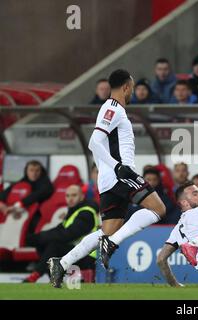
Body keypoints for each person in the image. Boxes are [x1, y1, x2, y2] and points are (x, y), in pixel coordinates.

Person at [48, 69, 166, 288]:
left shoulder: (113, 110)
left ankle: (62, 263)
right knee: (158, 209)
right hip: (121, 176)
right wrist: (118, 166)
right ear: (126, 87)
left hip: (110, 179)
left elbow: (100, 144)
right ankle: (110, 244)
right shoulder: (113, 108)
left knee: (107, 230)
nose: (131, 91)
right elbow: (94, 141)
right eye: (131, 87)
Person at [23, 185, 100, 283]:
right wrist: (37, 238)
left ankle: (36, 274)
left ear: (81, 197)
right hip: (76, 252)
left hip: (87, 256)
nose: (70, 199)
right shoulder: (74, 211)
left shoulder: (86, 213)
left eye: (74, 195)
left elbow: (68, 235)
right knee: (43, 244)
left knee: (54, 245)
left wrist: (41, 237)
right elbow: (58, 230)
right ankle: (54, 277)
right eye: (67, 196)